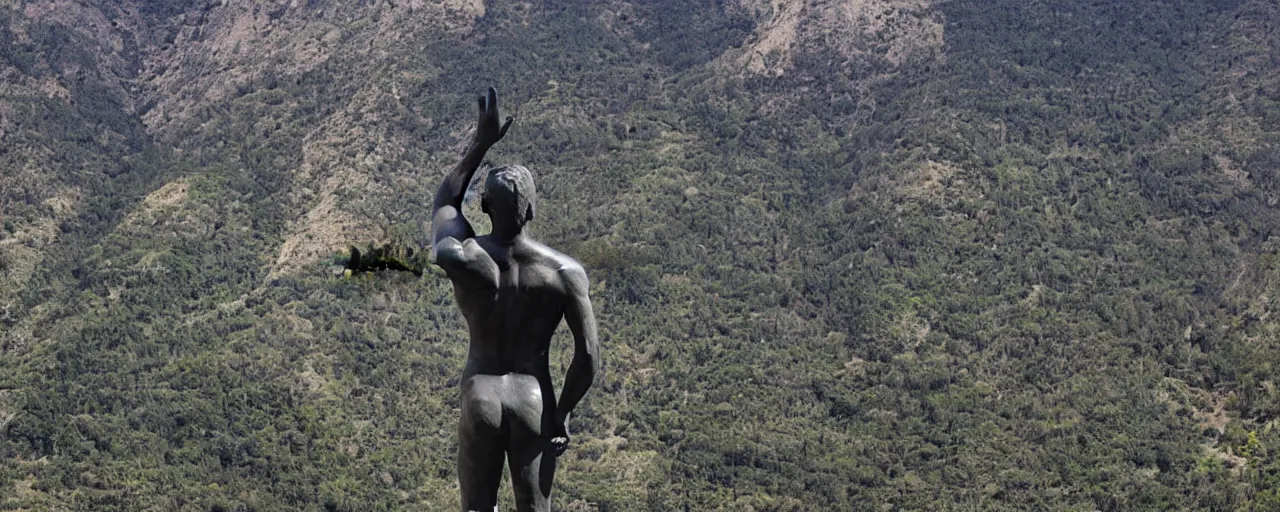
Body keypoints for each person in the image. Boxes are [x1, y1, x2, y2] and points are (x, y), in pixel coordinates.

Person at [430, 87, 600, 512]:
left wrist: (480, 144)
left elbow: (444, 204)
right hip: (533, 401)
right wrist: (561, 414)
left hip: (480, 395)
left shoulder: (466, 256)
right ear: (532, 211)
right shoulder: (564, 273)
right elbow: (588, 356)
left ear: (485, 207)